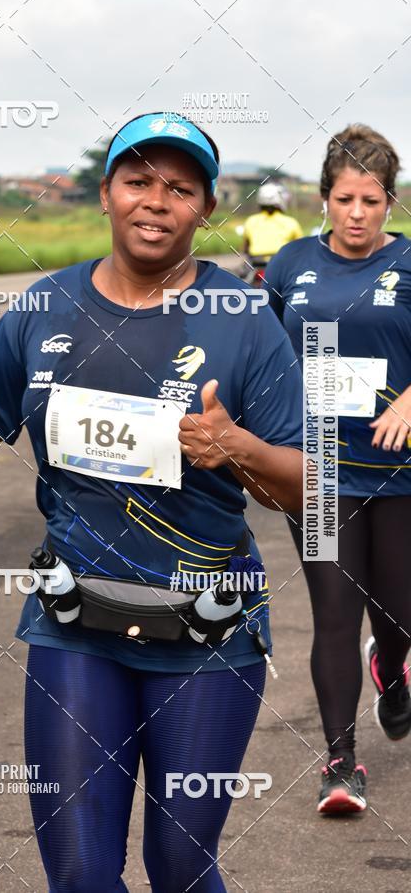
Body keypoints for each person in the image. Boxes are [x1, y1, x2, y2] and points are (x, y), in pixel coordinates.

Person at [0, 112, 304, 892]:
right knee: (80, 871)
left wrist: (240, 447)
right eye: (137, 181)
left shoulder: (244, 321)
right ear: (106, 193)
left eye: (180, 188)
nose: (156, 201)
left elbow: (306, 484)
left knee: (180, 864)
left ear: (206, 207)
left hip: (205, 631)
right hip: (75, 624)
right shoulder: (47, 304)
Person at [265, 124, 411, 816]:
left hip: (400, 470)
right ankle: (341, 764)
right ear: (324, 197)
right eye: (345, 199)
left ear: (391, 203)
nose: (357, 214)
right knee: (334, 613)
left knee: (399, 608)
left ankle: (393, 664)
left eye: (372, 201)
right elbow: (260, 353)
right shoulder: (290, 264)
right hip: (320, 469)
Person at [241, 182, 303, 285]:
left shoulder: (251, 220)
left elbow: (245, 248)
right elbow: (300, 249)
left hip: (255, 265)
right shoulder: (291, 222)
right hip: (282, 265)